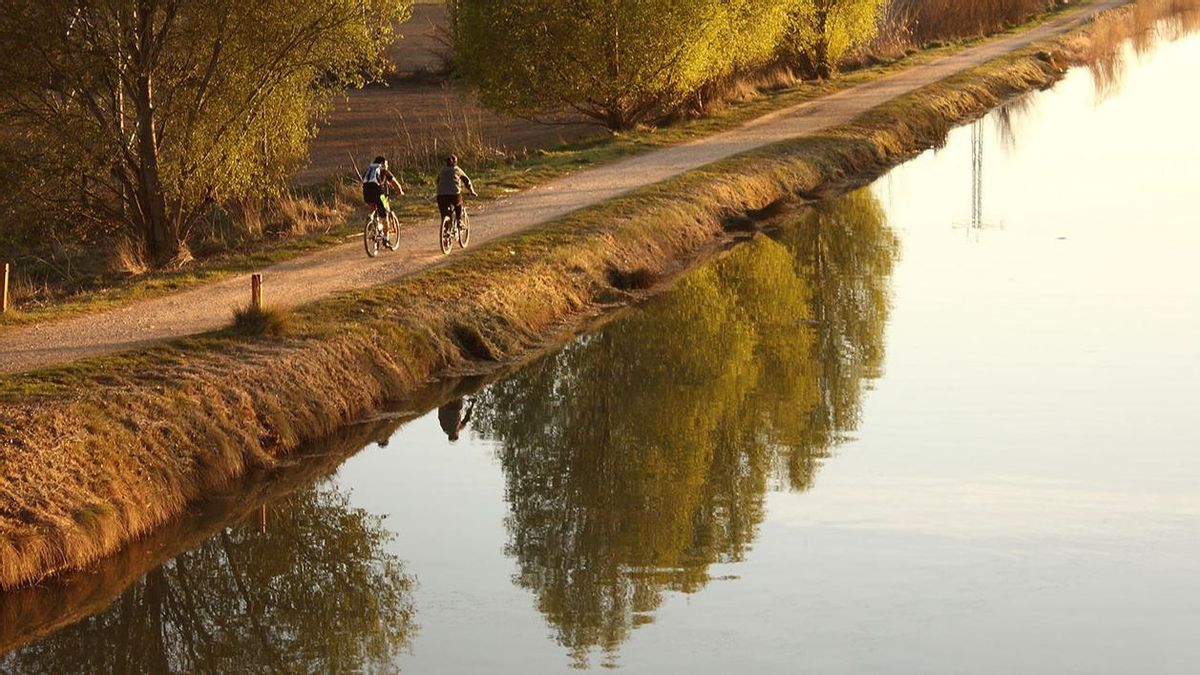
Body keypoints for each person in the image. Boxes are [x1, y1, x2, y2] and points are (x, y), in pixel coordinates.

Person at [436, 154, 477, 225]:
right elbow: (467, 181)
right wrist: (472, 191)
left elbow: (437, 181)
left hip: (441, 195)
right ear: (455, 162)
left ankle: (445, 225)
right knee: (458, 204)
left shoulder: (442, 170)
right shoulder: (457, 169)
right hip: (454, 194)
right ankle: (459, 220)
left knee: (444, 212)